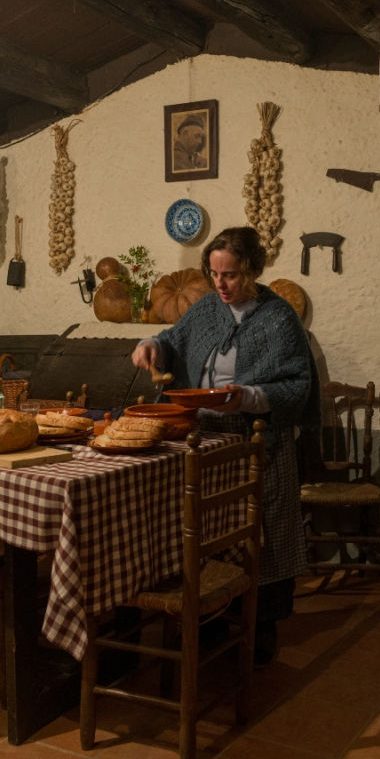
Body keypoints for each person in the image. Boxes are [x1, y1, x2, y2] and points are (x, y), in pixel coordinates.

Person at [131, 226, 318, 664]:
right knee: (211, 527)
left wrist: (249, 396)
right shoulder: (207, 310)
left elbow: (297, 385)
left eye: (230, 275)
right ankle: (214, 618)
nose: (221, 284)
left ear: (252, 270)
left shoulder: (278, 317)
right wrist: (149, 345)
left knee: (261, 532)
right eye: (214, 274)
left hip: (259, 441)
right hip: (207, 436)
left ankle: (262, 628)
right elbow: (171, 341)